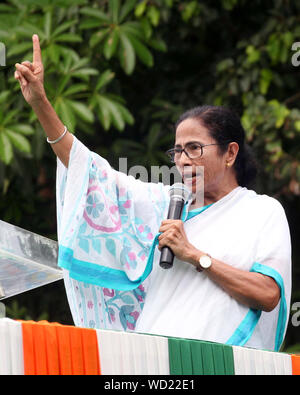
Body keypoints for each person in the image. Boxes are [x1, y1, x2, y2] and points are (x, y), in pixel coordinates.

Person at [14, 35, 291, 351]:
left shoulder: (262, 212)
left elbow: (268, 294)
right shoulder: (166, 205)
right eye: (177, 151)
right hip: (153, 357)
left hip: (218, 362)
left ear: (230, 153)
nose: (183, 159)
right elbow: (91, 172)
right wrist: (40, 103)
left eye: (194, 148)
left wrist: (193, 255)